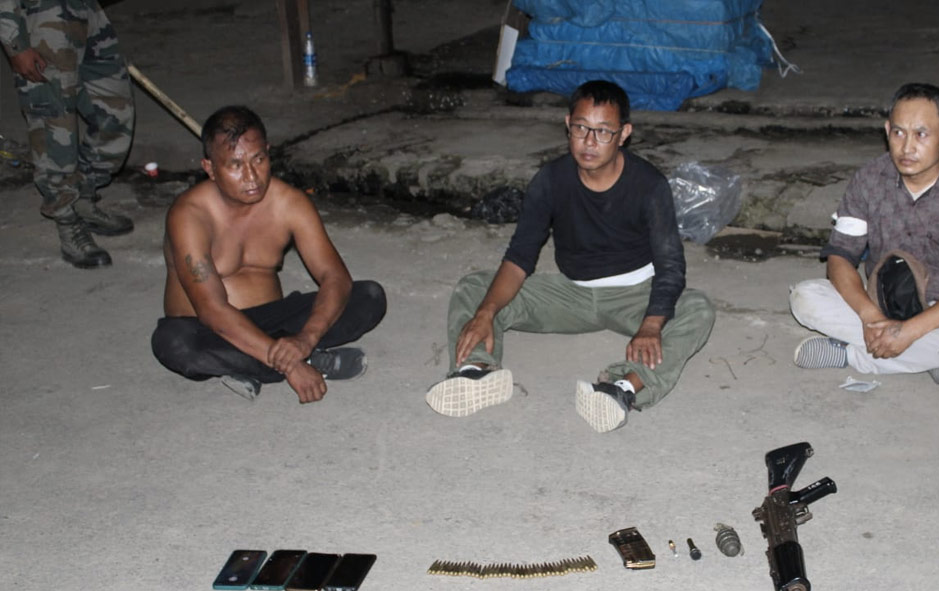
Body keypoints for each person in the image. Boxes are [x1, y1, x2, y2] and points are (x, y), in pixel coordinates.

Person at [424, 80, 715, 432]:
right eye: (581, 128)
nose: (589, 141)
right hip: (570, 293)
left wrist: (652, 325)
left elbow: (670, 265)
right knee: (475, 289)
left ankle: (622, 388)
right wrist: (486, 313)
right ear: (567, 125)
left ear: (624, 134)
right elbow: (520, 256)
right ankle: (476, 371)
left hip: (635, 296)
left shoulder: (649, 185)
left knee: (697, 309)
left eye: (603, 131)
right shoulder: (550, 180)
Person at [151, 106, 386, 403]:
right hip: (209, 328)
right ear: (209, 168)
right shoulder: (189, 214)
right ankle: (303, 362)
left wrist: (306, 339)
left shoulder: (289, 203)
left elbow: (335, 277)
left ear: (268, 153)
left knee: (368, 296)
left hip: (276, 322)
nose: (251, 176)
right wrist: (291, 365)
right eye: (235, 165)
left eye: (258, 159)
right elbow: (212, 310)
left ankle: (255, 364)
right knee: (174, 344)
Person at [789, 82, 939, 386]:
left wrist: (911, 332)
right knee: (804, 298)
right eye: (899, 133)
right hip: (880, 301)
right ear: (887, 131)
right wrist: (870, 317)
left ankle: (851, 356)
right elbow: (840, 256)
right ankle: (930, 358)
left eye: (921, 134)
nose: (907, 147)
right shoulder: (869, 179)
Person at [0, 0, 135, 268]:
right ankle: (66, 218)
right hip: (42, 16)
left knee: (115, 112)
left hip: (85, 10)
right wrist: (15, 43)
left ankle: (84, 197)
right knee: (55, 125)